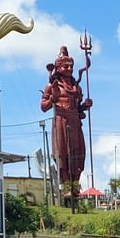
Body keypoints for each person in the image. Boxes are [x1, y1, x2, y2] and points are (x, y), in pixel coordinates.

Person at [40, 46, 92, 193]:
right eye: (66, 66)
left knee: (78, 154)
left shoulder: (76, 87)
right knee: (63, 154)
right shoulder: (51, 85)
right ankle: (67, 186)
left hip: (75, 123)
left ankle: (75, 186)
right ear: (58, 67)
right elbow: (43, 107)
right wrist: (52, 99)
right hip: (61, 121)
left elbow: (78, 108)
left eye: (71, 66)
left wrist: (85, 106)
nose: (69, 68)